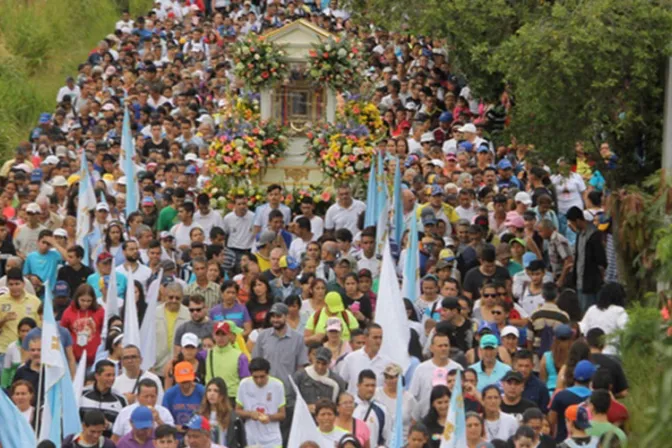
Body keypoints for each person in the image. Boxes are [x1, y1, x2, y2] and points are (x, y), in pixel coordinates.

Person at [236, 357, 286, 448]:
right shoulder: (244, 384)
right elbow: (237, 411)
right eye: (255, 377)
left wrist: (269, 417)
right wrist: (250, 414)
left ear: (268, 373)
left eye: (262, 377)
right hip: (251, 438)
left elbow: (282, 414)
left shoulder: (278, 385)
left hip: (272, 439)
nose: (259, 380)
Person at [410, 332, 463, 417]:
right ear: (431, 348)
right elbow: (413, 397)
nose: (443, 348)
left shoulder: (458, 368)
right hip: (426, 420)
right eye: (440, 346)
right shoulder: (420, 369)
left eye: (446, 345)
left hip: (452, 419)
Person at [565, 206, 607, 312]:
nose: (571, 226)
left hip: (591, 282)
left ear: (578, 220)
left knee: (590, 310)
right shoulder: (580, 235)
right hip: (580, 281)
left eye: (572, 223)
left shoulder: (594, 235)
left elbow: (601, 260)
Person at [0, 268, 40, 375]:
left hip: (28, 351)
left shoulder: (35, 301)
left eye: (17, 284)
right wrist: (3, 320)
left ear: (23, 284)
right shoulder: (1, 301)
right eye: (11, 284)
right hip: (4, 350)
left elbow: (40, 328)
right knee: (5, 385)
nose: (14, 287)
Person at [549, 360, 596, 442]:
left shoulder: (560, 395)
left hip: (562, 441)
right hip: (586, 443)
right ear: (592, 378)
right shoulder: (595, 398)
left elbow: (551, 420)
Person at [80, 360, 128, 438]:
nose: (112, 378)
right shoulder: (82, 395)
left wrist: (109, 425)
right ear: (97, 376)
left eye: (113, 375)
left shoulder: (121, 399)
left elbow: (124, 427)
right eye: (108, 375)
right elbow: (73, 420)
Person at [338, 323, 391, 393]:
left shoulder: (387, 362)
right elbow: (341, 383)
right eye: (375, 337)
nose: (378, 341)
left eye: (380, 338)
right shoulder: (350, 358)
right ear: (365, 338)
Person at [289, 346, 347, 411]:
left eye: (324, 364)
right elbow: (289, 399)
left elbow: (341, 403)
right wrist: (305, 407)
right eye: (318, 362)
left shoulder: (337, 381)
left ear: (329, 363)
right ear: (313, 359)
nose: (320, 367)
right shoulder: (300, 376)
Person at [60, 284, 104, 366]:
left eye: (89, 301)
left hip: (95, 358)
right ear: (77, 299)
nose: (85, 304)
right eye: (82, 300)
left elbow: (104, 331)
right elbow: (63, 333)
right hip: (75, 358)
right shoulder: (68, 312)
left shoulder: (99, 311)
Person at [579, 283, 628, 355]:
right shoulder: (619, 311)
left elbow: (583, 329)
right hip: (612, 354)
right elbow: (627, 331)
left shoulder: (592, 309)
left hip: (591, 353)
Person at [205, 321, 250, 400]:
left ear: (229, 335)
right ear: (213, 336)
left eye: (223, 334)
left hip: (232, 397)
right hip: (213, 397)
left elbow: (246, 381)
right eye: (217, 334)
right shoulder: (206, 354)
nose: (220, 338)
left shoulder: (240, 356)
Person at [374, 363, 418, 442]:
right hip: (380, 442)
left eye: (392, 377)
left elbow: (415, 422)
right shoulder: (376, 394)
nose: (389, 380)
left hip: (403, 442)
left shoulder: (409, 398)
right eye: (386, 377)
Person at [154, 282, 190, 377]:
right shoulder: (154, 313)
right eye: (170, 297)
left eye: (177, 298)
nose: (174, 300)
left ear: (182, 298)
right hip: (157, 366)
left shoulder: (188, 315)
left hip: (181, 367)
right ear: (165, 297)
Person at [163, 361, 206, 439]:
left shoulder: (202, 392)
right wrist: (175, 427)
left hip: (199, 435)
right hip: (176, 436)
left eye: (187, 381)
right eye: (182, 382)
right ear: (176, 379)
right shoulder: (169, 394)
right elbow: (164, 419)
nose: (185, 384)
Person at [199, 377, 247, 448]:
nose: (212, 394)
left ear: (222, 395)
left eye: (216, 391)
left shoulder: (233, 418)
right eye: (209, 390)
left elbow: (241, 441)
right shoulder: (199, 415)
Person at [585, 328, 628, 398]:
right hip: (607, 405)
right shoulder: (614, 364)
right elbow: (623, 392)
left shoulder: (580, 363)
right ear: (604, 344)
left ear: (586, 342)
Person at [352, 369, 391, 448]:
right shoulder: (348, 406)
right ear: (358, 385)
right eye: (367, 385)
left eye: (373, 385)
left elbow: (388, 439)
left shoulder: (382, 410)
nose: (370, 389)